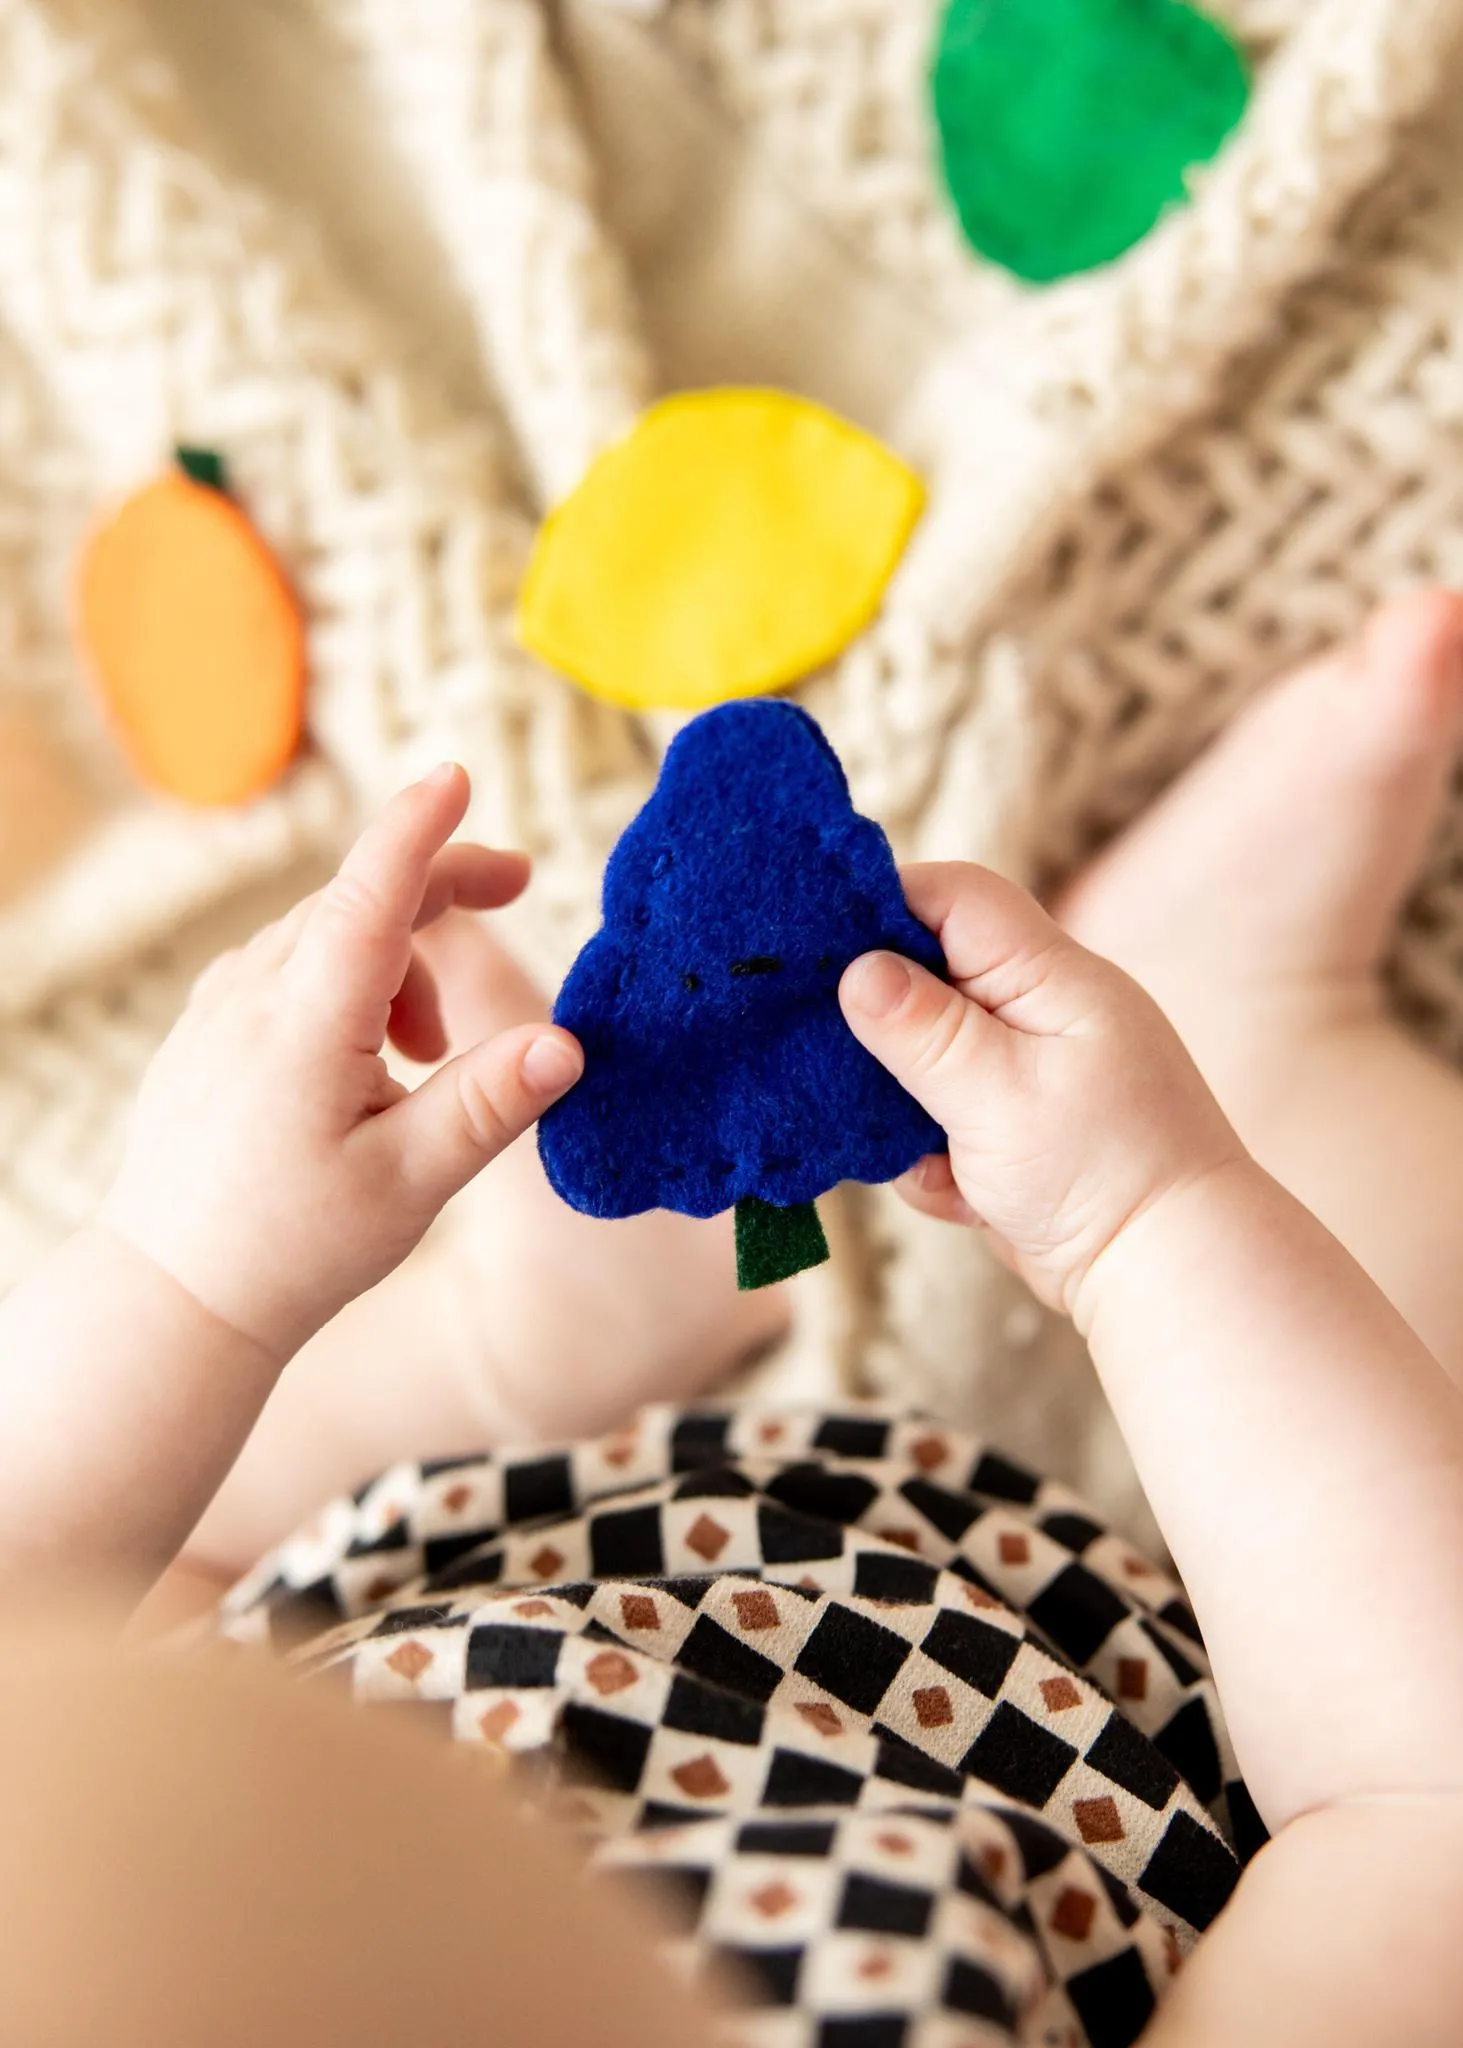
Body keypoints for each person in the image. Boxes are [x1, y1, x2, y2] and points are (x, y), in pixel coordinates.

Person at [1, 592, 1462, 2046]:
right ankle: (1254, 1030)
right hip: (1188, 1698)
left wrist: (183, 1267)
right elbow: (1414, 1816)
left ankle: (532, 1351)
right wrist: (1146, 1213)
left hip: (365, 1578)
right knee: (1374, 1379)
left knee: (147, 1562)